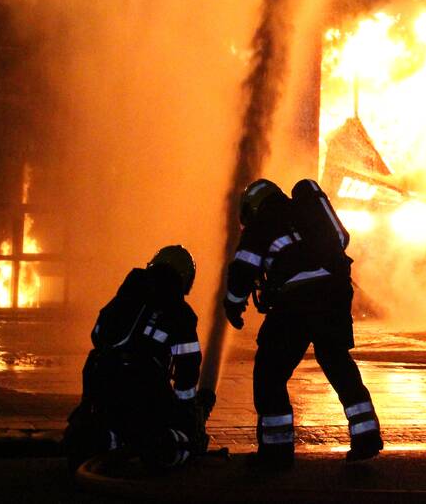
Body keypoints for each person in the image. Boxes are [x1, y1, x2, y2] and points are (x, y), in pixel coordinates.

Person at [223, 178, 382, 468]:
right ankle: (366, 436)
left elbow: (242, 268)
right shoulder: (305, 213)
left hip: (295, 301)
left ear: (253, 207)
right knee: (337, 362)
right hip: (335, 293)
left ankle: (276, 452)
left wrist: (233, 304)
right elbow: (342, 241)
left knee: (269, 373)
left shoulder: (262, 222)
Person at [63, 245, 214, 471]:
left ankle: (103, 439)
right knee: (184, 443)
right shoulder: (180, 312)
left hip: (100, 376)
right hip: (142, 385)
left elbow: (97, 335)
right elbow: (188, 367)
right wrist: (188, 410)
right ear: (185, 278)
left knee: (113, 421)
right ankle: (158, 447)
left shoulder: (125, 297)